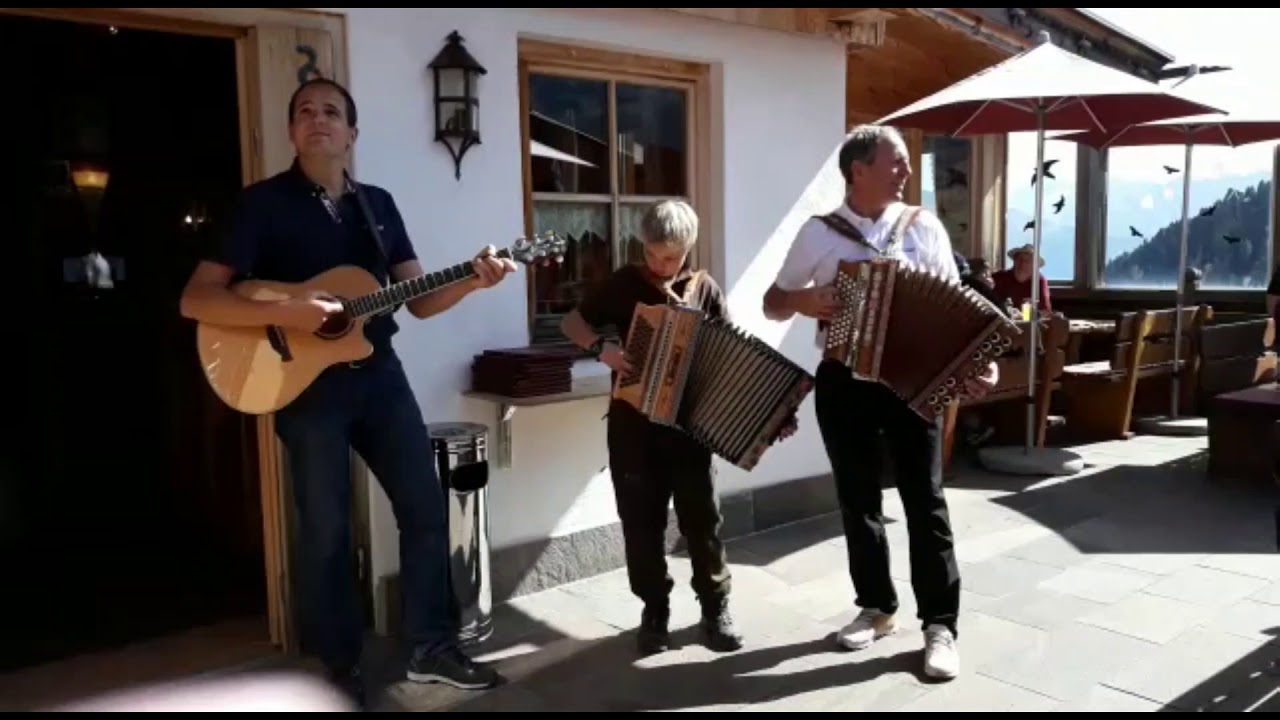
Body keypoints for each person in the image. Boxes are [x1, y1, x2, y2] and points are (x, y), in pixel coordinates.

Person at [178, 78, 512, 706]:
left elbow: (419, 301)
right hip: (305, 389)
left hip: (379, 377)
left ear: (351, 135)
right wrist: (295, 312)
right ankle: (336, 668)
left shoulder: (377, 205)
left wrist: (472, 280)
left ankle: (432, 648)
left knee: (423, 507)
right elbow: (197, 298)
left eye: (331, 111)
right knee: (326, 531)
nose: (317, 119)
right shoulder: (260, 205)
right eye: (304, 111)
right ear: (291, 133)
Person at [760, 124, 997, 681]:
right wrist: (804, 298)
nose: (907, 171)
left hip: (913, 384)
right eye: (896, 161)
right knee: (858, 502)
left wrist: (977, 360)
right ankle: (877, 607)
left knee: (926, 502)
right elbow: (773, 303)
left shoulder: (924, 227)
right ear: (857, 170)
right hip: (844, 380)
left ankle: (940, 625)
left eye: (907, 163)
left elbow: (953, 304)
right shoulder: (818, 234)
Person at [560, 199, 793, 655]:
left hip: (690, 431)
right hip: (633, 427)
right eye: (652, 255)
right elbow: (572, 322)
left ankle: (715, 608)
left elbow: (732, 357)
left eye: (671, 257)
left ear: (689, 248)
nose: (661, 266)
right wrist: (601, 348)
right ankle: (654, 610)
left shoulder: (704, 289)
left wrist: (770, 413)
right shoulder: (624, 283)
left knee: (702, 520)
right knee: (640, 523)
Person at [990, 243, 1052, 317]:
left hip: (1025, 323)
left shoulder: (1039, 281)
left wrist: (1030, 312)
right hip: (999, 320)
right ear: (1014, 261)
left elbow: (1046, 311)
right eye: (1020, 259)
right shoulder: (999, 277)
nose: (1023, 263)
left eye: (1028, 260)